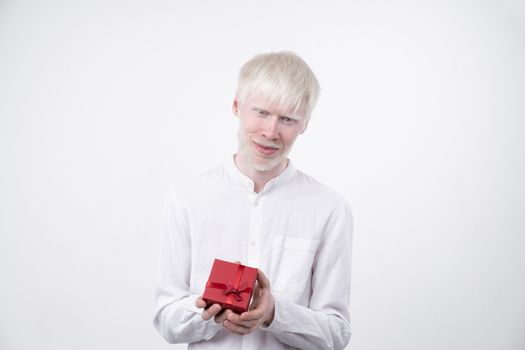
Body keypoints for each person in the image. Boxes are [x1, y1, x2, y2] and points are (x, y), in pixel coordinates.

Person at [153, 51, 353, 350]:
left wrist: (274, 313)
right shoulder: (187, 198)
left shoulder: (330, 208)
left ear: (305, 124)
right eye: (261, 112)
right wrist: (210, 310)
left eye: (287, 119)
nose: (270, 132)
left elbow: (336, 333)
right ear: (236, 105)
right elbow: (167, 321)